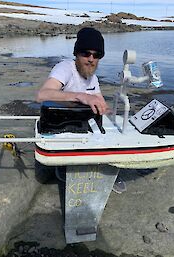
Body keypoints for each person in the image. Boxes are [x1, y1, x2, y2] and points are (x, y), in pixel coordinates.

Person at [36, 27, 126, 193]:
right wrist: (80, 96)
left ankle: (107, 171)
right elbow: (42, 95)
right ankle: (64, 167)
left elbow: (99, 101)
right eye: (86, 53)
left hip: (82, 126)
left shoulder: (93, 77)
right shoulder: (65, 68)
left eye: (96, 55)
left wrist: (105, 109)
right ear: (76, 54)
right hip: (60, 127)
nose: (91, 59)